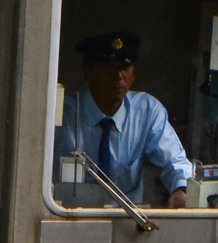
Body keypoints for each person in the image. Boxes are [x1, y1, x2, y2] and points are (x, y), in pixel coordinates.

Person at [54, 31, 191, 209]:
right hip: (71, 218)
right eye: (109, 66)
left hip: (127, 221)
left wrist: (181, 190)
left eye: (125, 66)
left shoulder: (146, 111)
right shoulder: (63, 113)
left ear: (134, 73)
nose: (119, 75)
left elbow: (175, 161)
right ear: (88, 71)